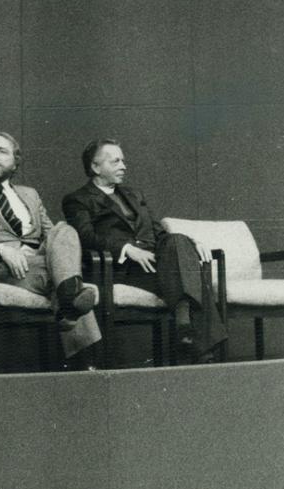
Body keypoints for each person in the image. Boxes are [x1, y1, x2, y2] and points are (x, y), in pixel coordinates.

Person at [0, 132, 102, 369]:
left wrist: (46, 254)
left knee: (64, 230)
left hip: (38, 265)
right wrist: (1, 250)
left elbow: (51, 234)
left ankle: (69, 295)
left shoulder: (30, 193)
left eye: (2, 151)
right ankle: (83, 357)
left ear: (15, 162)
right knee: (70, 282)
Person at [61, 139, 224, 360]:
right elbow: (84, 236)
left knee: (176, 240)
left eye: (123, 160)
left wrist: (191, 243)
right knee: (192, 278)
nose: (123, 166)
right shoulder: (77, 200)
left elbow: (159, 232)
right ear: (95, 167)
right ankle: (200, 344)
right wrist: (126, 249)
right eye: (115, 161)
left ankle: (186, 323)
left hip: (155, 264)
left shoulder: (134, 194)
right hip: (119, 269)